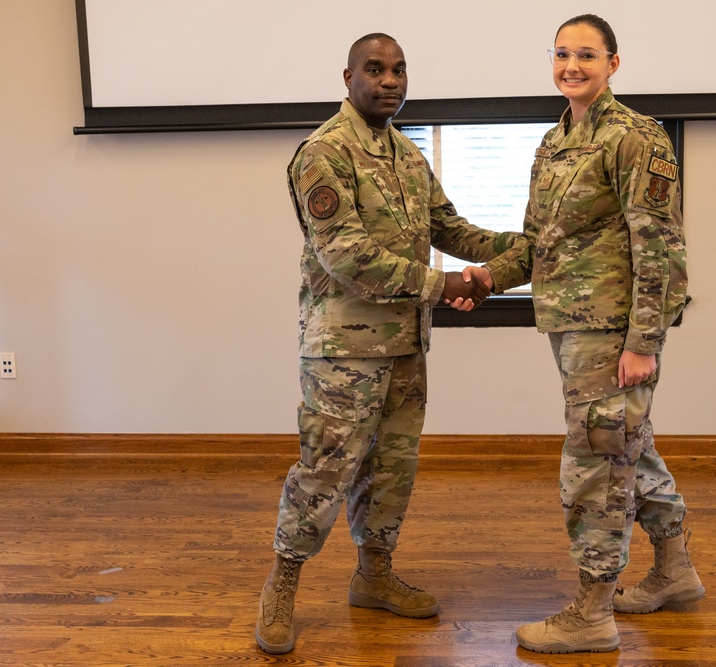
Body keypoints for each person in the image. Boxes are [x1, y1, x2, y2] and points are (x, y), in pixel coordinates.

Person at [255, 33, 523, 654]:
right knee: (324, 471)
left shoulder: (406, 155)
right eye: (375, 70)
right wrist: (444, 283)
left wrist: (524, 249)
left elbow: (449, 227)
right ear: (347, 77)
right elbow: (347, 256)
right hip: (343, 351)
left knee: (391, 469)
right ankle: (282, 585)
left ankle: (373, 575)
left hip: (404, 345)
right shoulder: (323, 154)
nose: (390, 80)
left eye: (399, 70)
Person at [468, 14, 704, 654]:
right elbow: (540, 242)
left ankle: (594, 612)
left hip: (611, 329)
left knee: (598, 462)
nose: (572, 66)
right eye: (562, 54)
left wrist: (643, 342)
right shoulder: (555, 141)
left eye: (587, 55)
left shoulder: (636, 138)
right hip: (570, 325)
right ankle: (675, 571)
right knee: (629, 442)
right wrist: (488, 275)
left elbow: (660, 249)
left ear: (614, 64)